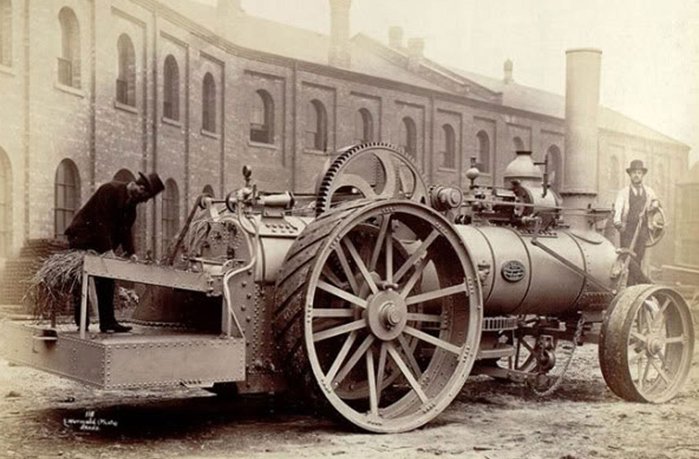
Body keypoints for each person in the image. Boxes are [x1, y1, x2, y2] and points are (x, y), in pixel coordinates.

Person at [65, 172, 164, 333]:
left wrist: (131, 252)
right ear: (139, 187)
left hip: (100, 241)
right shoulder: (109, 190)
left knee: (107, 279)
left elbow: (125, 231)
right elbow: (100, 222)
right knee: (81, 280)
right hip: (82, 237)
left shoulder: (131, 207)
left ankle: (108, 323)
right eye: (144, 197)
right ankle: (82, 322)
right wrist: (107, 250)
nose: (144, 201)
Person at [613, 160, 661, 285]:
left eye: (639, 173)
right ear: (630, 175)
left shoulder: (649, 191)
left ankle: (632, 287)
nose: (636, 175)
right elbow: (618, 208)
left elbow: (656, 202)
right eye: (634, 172)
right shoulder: (623, 192)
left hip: (642, 230)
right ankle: (645, 282)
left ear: (642, 175)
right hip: (627, 230)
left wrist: (654, 205)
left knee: (638, 259)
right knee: (627, 257)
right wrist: (617, 222)